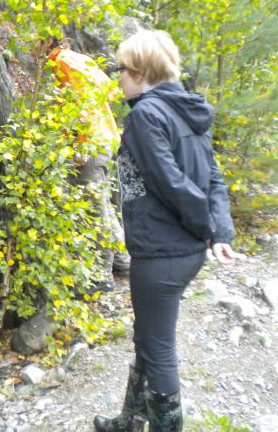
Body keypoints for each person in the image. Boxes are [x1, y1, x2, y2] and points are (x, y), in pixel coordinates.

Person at [93, 29, 235, 432]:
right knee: (147, 337)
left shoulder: (145, 115)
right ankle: (129, 422)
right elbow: (213, 179)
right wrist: (219, 233)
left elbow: (171, 183)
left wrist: (209, 229)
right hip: (182, 250)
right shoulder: (188, 108)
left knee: (158, 350)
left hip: (161, 253)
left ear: (140, 72)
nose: (118, 78)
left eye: (121, 70)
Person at [49, 47, 131, 285]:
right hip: (105, 137)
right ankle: (122, 261)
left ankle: (100, 276)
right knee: (102, 201)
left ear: (46, 43)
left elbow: (79, 99)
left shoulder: (62, 61)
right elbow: (109, 92)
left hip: (91, 142)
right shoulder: (81, 59)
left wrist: (81, 141)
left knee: (94, 206)